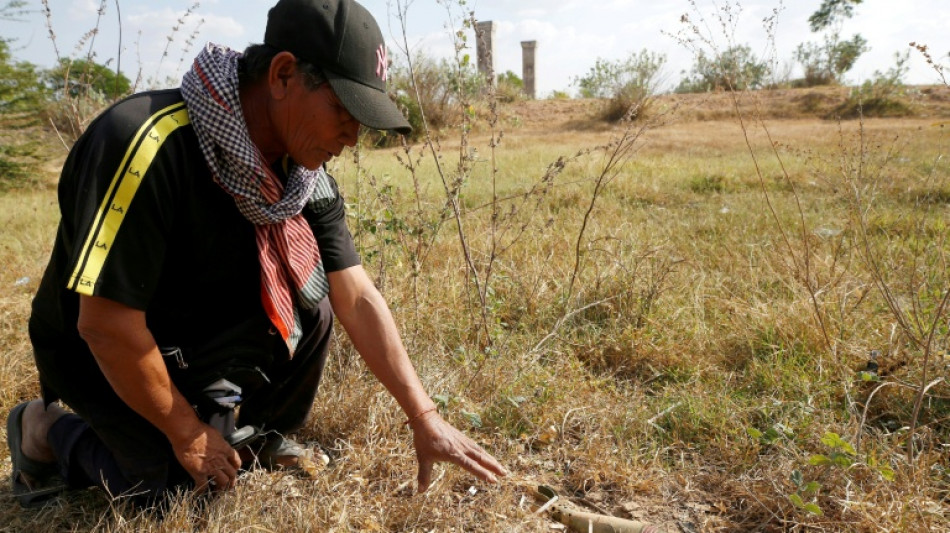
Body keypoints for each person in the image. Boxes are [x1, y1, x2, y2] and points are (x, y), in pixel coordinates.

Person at [7, 0, 506, 508]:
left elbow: (355, 295)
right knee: (177, 494)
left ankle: (247, 430)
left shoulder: (302, 176)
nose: (353, 136)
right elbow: (104, 325)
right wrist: (185, 432)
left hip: (191, 333)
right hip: (100, 347)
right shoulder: (146, 145)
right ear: (283, 74)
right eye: (341, 109)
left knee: (314, 298)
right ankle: (45, 429)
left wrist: (424, 416)